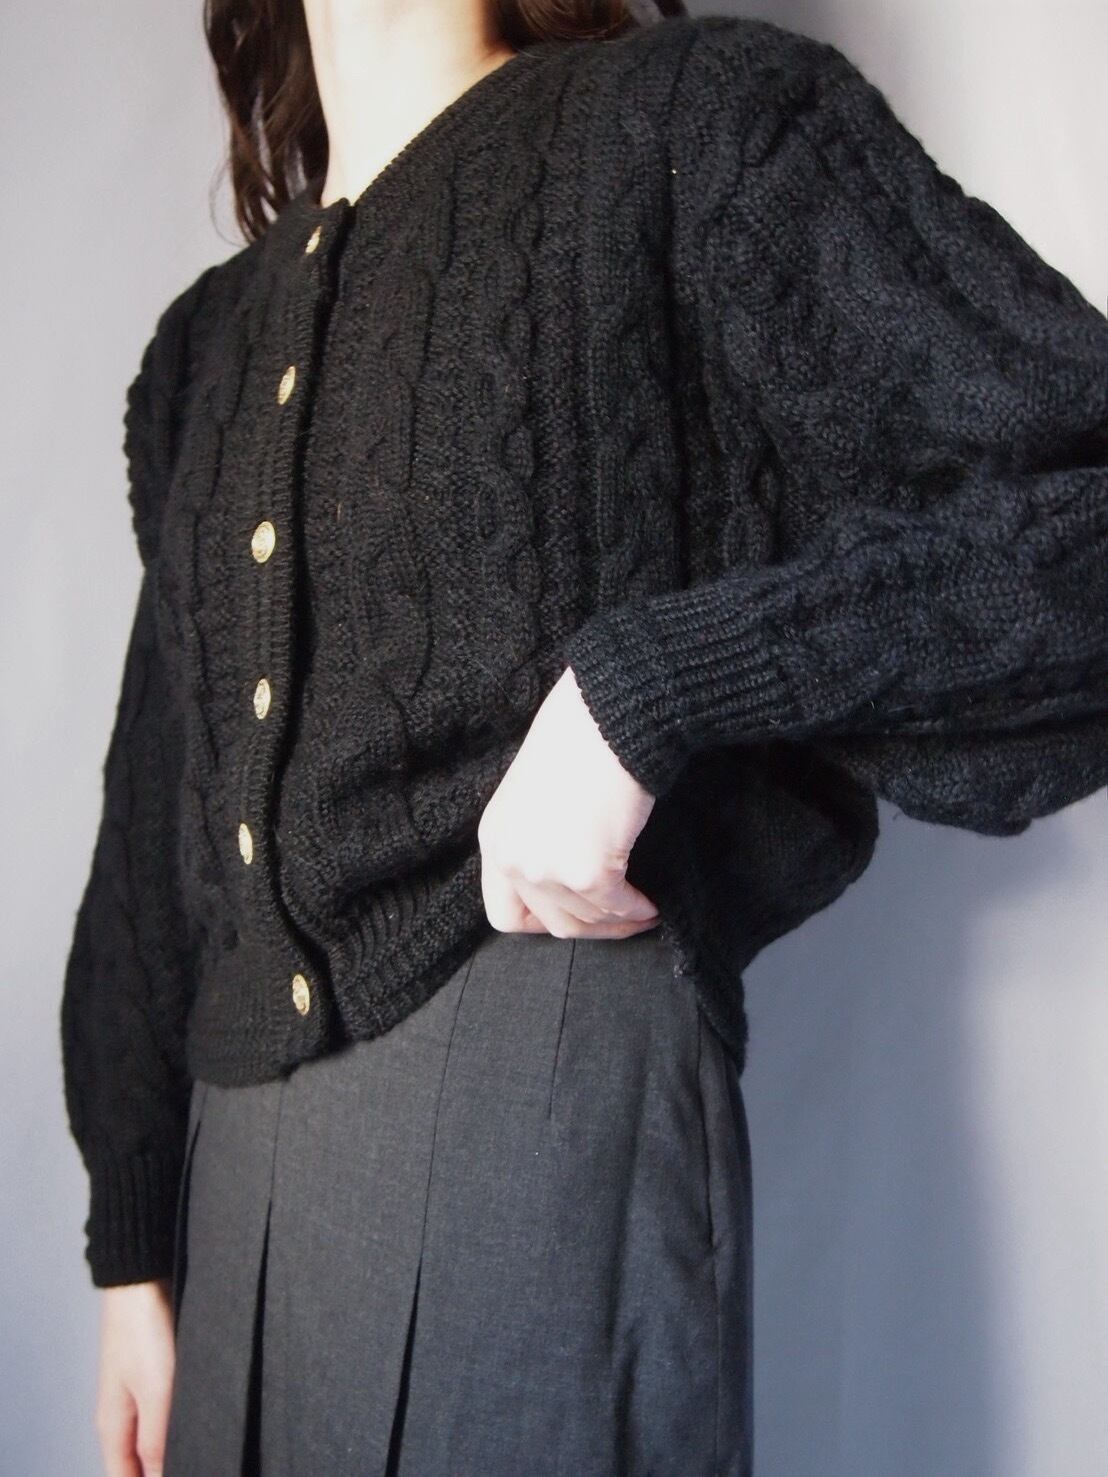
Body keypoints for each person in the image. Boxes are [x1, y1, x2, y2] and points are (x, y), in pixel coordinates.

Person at [60, 1, 1108, 1473]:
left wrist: (657, 689)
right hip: (230, 1204)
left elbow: (1080, 515)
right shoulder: (201, 355)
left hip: (533, 1117)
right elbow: (154, 815)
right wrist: (133, 1249)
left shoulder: (685, 127)